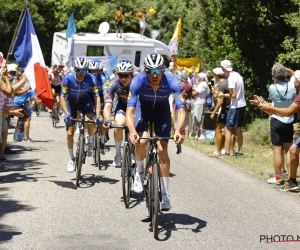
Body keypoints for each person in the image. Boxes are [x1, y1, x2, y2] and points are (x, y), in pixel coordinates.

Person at [126, 53, 185, 211]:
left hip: (162, 112)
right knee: (141, 141)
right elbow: (130, 111)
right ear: (145, 71)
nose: (154, 75)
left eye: (158, 71)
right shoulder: (137, 81)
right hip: (143, 111)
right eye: (150, 71)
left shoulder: (172, 81)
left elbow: (181, 109)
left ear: (163, 70)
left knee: (162, 150)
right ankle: (138, 175)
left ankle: (165, 195)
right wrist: (132, 131)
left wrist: (179, 130)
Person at [251, 67, 298, 190]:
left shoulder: (272, 87)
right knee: (289, 150)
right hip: (289, 120)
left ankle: (278, 177)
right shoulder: (293, 86)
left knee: (277, 149)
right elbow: (293, 74)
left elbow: (272, 101)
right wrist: (284, 68)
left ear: (274, 76)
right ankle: (289, 176)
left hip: (276, 119)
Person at [61, 57, 101, 172]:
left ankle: (90, 141)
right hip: (71, 103)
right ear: (75, 69)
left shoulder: (91, 78)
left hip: (85, 101)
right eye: (80, 71)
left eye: (84, 71)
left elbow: (96, 97)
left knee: (90, 121)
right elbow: (62, 97)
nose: (82, 73)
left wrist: (97, 114)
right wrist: (66, 113)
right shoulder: (68, 78)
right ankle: (71, 158)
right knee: (70, 133)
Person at [103, 60, 134, 167]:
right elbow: (107, 106)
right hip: (122, 106)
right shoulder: (114, 83)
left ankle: (134, 154)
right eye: (121, 75)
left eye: (126, 75)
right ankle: (118, 155)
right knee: (119, 125)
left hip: (136, 108)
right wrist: (107, 120)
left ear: (132, 74)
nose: (123, 78)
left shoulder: (137, 82)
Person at [217, 60, 246, 157]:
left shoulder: (231, 78)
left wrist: (223, 95)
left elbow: (233, 95)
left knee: (228, 128)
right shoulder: (237, 75)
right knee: (238, 128)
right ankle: (240, 151)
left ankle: (227, 152)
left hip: (235, 106)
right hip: (242, 104)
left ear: (224, 68)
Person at [210, 67, 234, 157]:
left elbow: (220, 101)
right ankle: (228, 150)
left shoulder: (223, 84)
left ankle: (219, 151)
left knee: (218, 129)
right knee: (229, 130)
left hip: (225, 109)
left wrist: (213, 112)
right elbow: (216, 96)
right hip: (230, 108)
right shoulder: (227, 82)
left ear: (217, 75)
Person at [192, 72, 208, 140]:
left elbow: (195, 93)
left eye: (198, 76)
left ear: (201, 78)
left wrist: (189, 92)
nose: (197, 78)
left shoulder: (202, 84)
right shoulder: (201, 84)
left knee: (199, 119)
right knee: (197, 118)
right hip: (198, 103)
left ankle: (201, 134)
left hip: (199, 103)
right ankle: (197, 134)